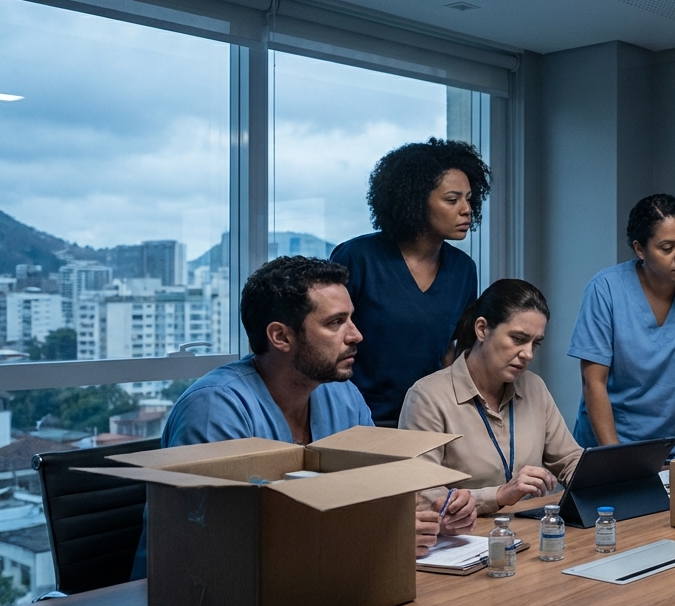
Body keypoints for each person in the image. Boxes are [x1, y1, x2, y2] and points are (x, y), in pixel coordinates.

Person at [130, 257, 476, 579]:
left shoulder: (342, 395)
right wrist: (376, 533)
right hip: (200, 603)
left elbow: (385, 489)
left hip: (315, 583)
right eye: (335, 322)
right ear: (281, 336)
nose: (356, 335)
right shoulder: (214, 409)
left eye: (351, 319)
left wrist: (434, 515)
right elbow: (216, 538)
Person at [568, 194, 675, 460]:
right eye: (667, 247)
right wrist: (618, 464)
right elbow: (594, 383)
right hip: (611, 443)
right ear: (640, 249)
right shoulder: (605, 290)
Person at [330, 138, 489, 426]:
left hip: (428, 419)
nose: (466, 209)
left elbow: (452, 353)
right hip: (358, 419)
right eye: (452, 200)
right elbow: (326, 341)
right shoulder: (358, 258)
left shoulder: (464, 269)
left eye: (469, 198)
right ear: (415, 201)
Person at [400, 279, 583, 516]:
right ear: (482, 329)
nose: (527, 354)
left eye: (535, 343)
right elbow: (421, 495)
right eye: (518, 339)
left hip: (531, 530)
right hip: (463, 540)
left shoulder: (534, 387)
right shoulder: (427, 397)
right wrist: (498, 495)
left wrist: (605, 474)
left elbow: (568, 459)